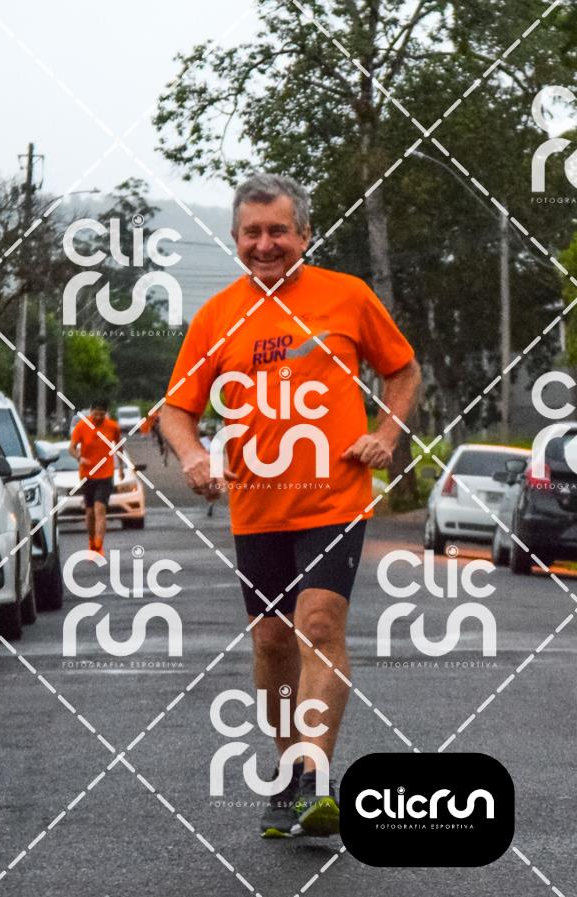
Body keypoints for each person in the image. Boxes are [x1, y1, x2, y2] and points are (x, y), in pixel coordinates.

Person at [161, 174, 421, 838]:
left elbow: (402, 369)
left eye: (279, 230)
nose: (266, 244)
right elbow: (176, 410)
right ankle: (288, 773)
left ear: (304, 234)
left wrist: (387, 434)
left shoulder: (348, 296)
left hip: (336, 498)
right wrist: (193, 455)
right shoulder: (217, 315)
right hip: (257, 507)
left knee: (320, 625)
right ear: (234, 238)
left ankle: (313, 775)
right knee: (272, 642)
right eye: (253, 232)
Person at [69, 400, 124, 557]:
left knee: (100, 509)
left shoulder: (113, 427)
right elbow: (71, 448)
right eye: (95, 414)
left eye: (101, 414)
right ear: (90, 411)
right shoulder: (82, 426)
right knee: (90, 512)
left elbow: (119, 447)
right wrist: (79, 457)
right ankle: (92, 542)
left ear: (106, 413)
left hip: (105, 475)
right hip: (87, 475)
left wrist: (121, 467)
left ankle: (99, 546)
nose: (98, 417)